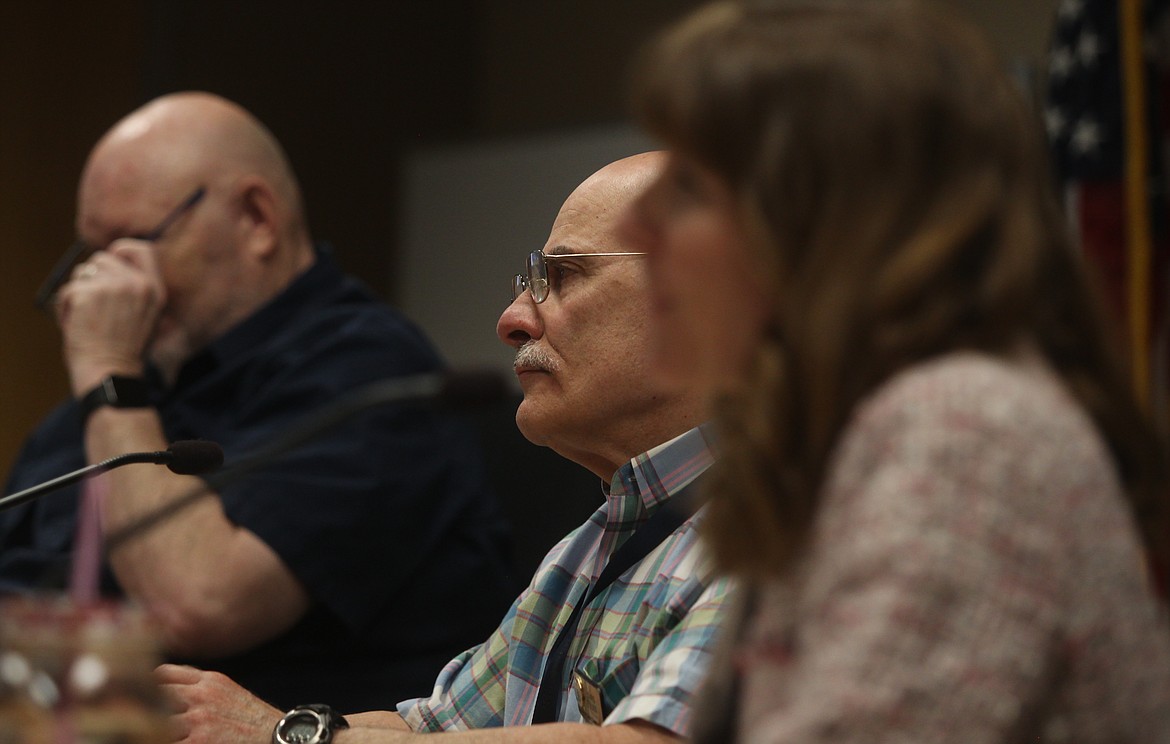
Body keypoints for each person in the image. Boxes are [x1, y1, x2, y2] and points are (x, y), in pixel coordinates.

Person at [621, 0, 1170, 741]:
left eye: (688, 186)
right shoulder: (842, 438)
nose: (633, 227)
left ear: (820, 225)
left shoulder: (961, 432)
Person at [155, 152, 735, 744]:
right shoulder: (587, 549)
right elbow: (428, 729)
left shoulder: (787, 529)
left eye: (563, 276)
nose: (512, 320)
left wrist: (288, 737)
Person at [0, 91, 514, 712]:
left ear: (256, 219)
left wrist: (110, 376)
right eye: (91, 254)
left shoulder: (372, 374)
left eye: (132, 243)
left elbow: (198, 605)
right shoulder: (131, 385)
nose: (105, 283)